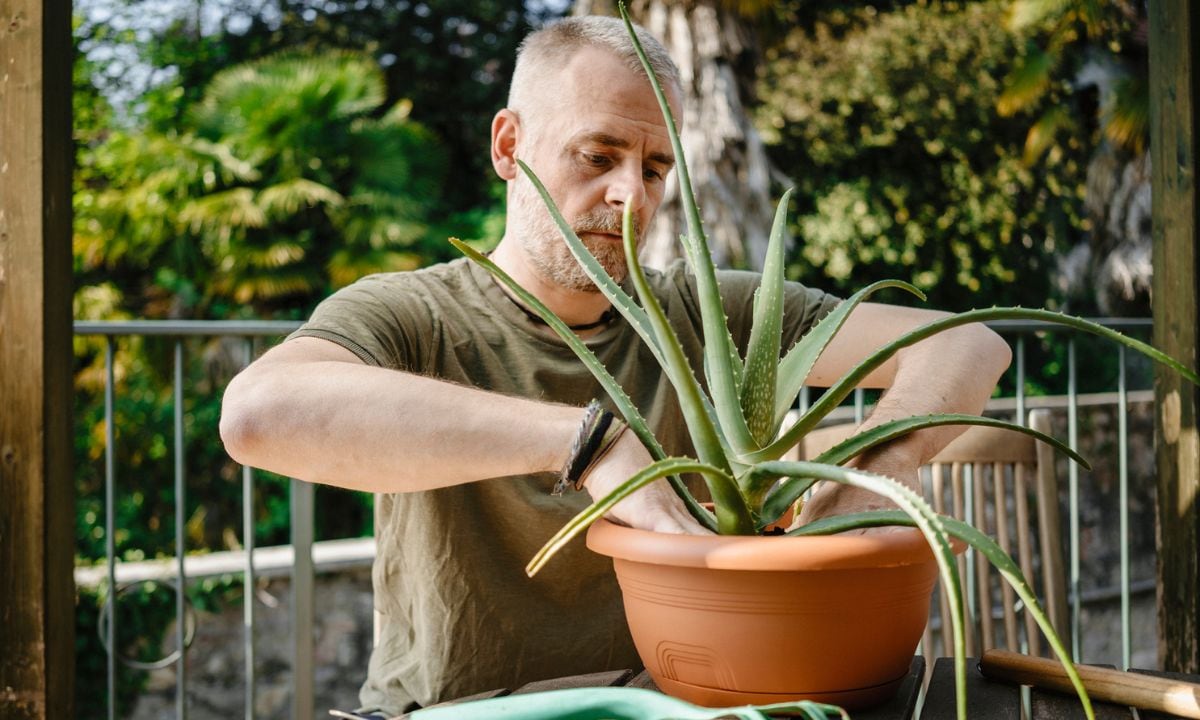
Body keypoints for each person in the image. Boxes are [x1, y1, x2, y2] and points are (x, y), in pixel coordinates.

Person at [219, 15, 1011, 717]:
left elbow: (968, 342)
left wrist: (868, 470)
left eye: (657, 168)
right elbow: (259, 414)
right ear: (509, 146)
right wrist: (589, 443)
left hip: (678, 702)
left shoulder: (709, 312)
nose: (632, 194)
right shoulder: (414, 315)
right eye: (598, 155)